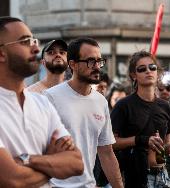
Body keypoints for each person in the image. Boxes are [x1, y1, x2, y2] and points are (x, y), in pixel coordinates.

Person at [0, 16, 83, 187]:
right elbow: (12, 179)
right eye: (25, 42)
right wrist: (52, 163)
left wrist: (26, 159)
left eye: (34, 41)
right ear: (1, 53)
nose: (36, 48)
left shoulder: (42, 103)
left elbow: (76, 164)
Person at [44, 37, 123, 188]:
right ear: (72, 64)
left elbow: (106, 152)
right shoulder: (50, 97)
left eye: (99, 61)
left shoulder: (101, 101)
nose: (97, 66)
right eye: (90, 61)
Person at [111, 50, 170, 188]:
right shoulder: (123, 105)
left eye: (152, 67)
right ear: (134, 75)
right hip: (135, 177)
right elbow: (111, 143)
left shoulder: (164, 106)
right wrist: (141, 140)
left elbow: (164, 144)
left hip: (162, 176)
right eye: (142, 69)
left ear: (158, 73)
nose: (148, 71)